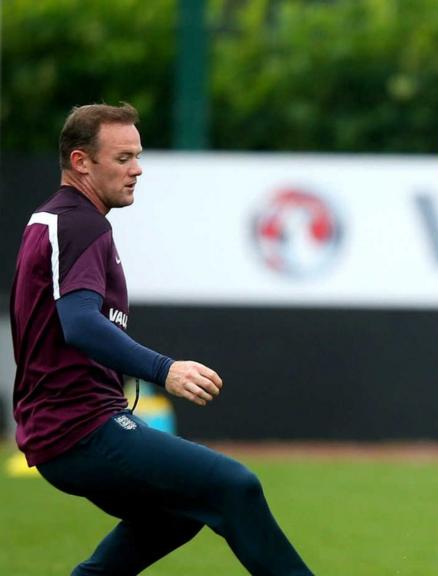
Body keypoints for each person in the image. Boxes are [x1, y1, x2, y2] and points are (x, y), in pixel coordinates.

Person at [9, 103, 314, 576]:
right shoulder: (79, 224)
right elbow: (81, 324)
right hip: (78, 428)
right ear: (80, 162)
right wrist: (164, 369)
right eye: (123, 158)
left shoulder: (54, 220)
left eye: (138, 155)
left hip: (60, 430)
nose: (138, 169)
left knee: (178, 512)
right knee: (233, 485)